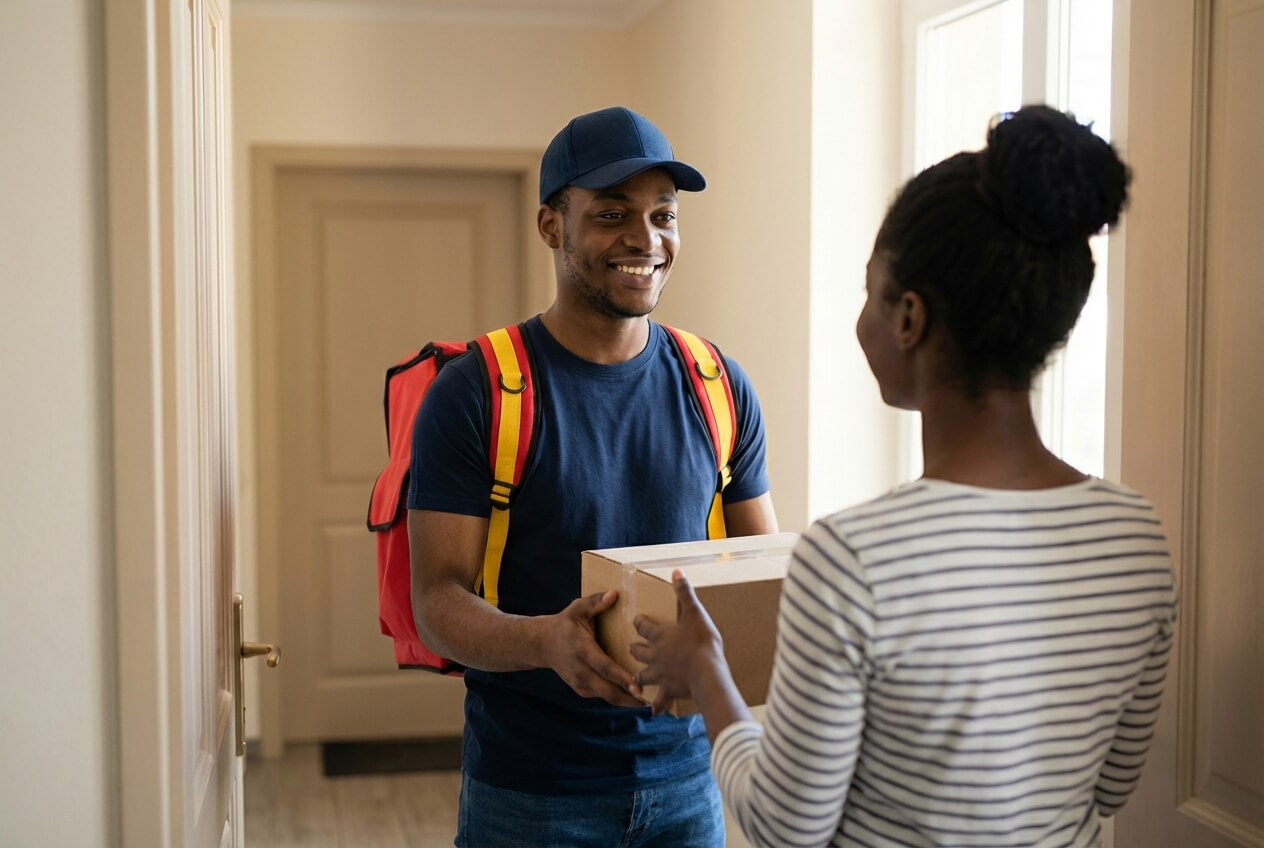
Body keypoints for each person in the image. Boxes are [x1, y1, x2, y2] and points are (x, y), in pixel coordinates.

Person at [632, 105, 1177, 848]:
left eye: (869, 291)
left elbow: (785, 827)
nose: (862, 318)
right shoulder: (1135, 535)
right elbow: (1111, 785)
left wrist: (706, 671)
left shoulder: (854, 557)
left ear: (910, 318)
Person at [407, 105, 779, 847]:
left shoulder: (717, 384)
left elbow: (757, 572)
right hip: (530, 795)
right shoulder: (479, 390)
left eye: (663, 215)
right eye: (613, 213)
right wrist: (546, 640)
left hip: (686, 785)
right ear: (552, 225)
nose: (646, 239)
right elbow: (436, 600)